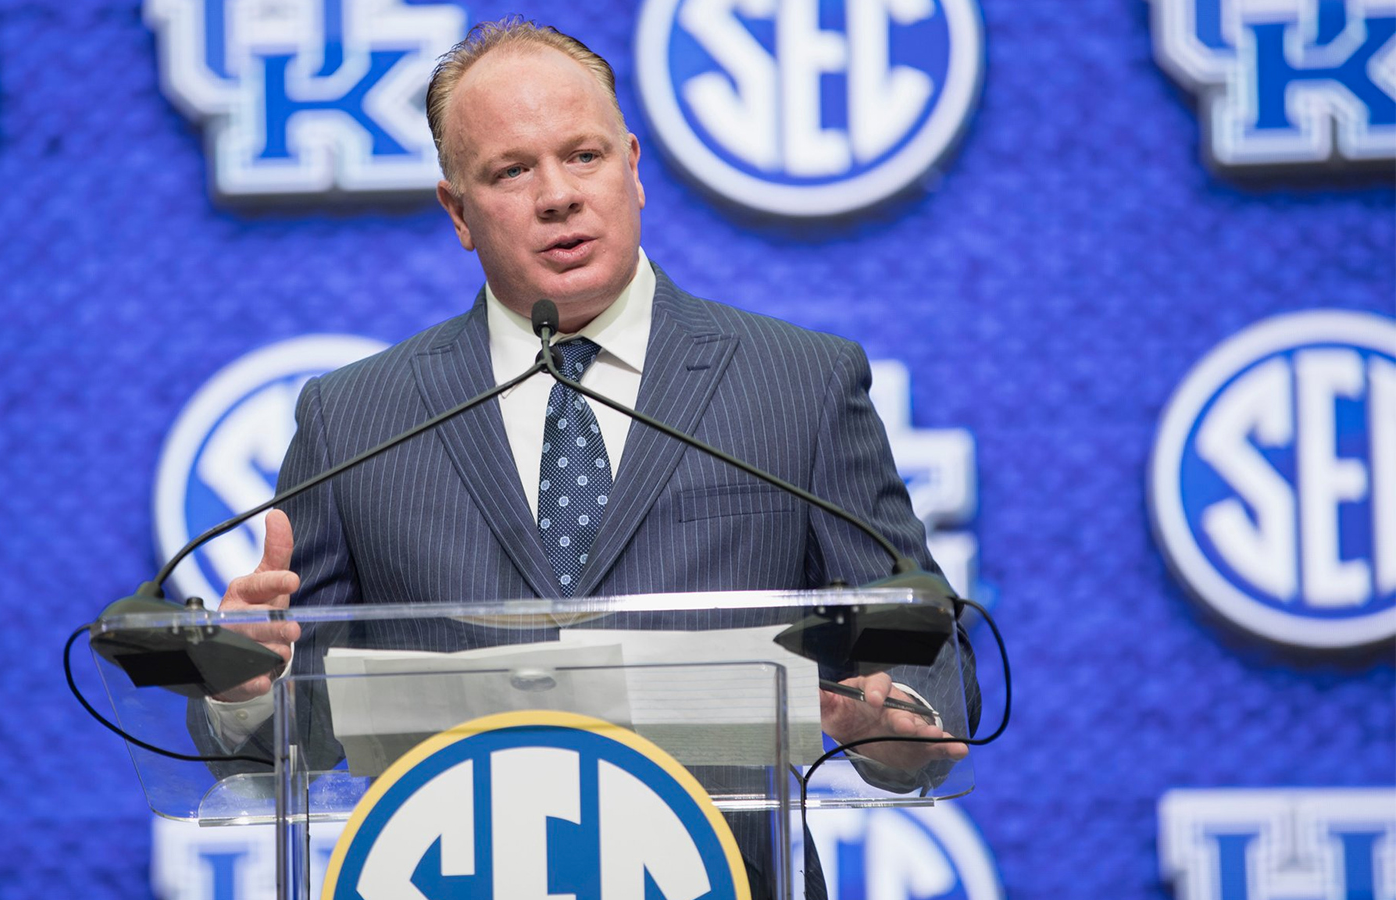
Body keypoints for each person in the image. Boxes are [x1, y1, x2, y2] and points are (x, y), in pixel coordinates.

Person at [204, 17, 976, 897]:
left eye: (584, 156)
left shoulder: (796, 384)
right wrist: (247, 686)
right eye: (511, 171)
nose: (558, 195)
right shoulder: (357, 418)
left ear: (634, 168)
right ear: (458, 211)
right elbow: (280, 735)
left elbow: (925, 659)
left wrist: (902, 720)